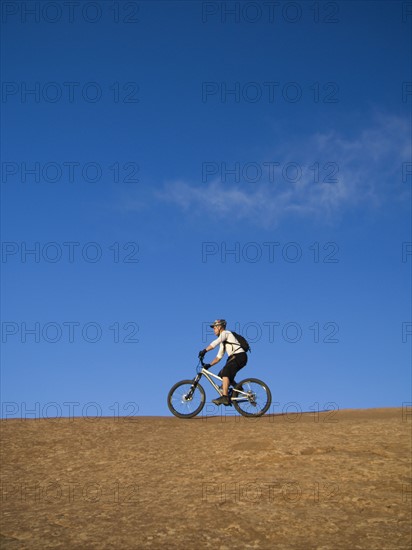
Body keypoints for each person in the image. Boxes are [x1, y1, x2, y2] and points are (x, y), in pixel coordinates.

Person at [198, 319, 247, 406]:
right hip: (235, 357)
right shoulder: (223, 342)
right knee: (222, 374)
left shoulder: (225, 333)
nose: (213, 330)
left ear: (219, 327)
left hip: (239, 356)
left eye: (214, 327)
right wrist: (209, 365)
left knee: (226, 372)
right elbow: (218, 357)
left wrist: (204, 351)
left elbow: (215, 343)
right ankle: (239, 389)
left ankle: (225, 397)